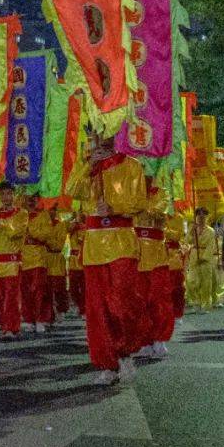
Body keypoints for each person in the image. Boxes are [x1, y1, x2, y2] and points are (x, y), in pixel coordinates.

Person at [66, 135, 149, 385]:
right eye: (97, 133)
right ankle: (107, 364)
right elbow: (72, 190)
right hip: (93, 246)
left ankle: (125, 351)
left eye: (107, 130)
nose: (101, 138)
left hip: (121, 242)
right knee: (97, 310)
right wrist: (88, 166)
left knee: (122, 304)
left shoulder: (132, 165)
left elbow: (139, 202)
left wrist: (114, 207)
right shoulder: (89, 165)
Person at [135, 186, 174, 359]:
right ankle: (144, 340)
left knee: (160, 300)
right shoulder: (130, 188)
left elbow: (158, 212)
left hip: (157, 256)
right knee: (140, 302)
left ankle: (159, 339)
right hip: (136, 255)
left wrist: (137, 204)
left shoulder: (163, 191)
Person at [0, 182, 26, 337]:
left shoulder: (21, 214)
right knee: (0, 298)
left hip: (12, 262)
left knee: (11, 297)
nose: (6, 197)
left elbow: (16, 232)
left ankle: (13, 327)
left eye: (9, 193)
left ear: (14, 194)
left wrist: (2, 223)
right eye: (3, 194)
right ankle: (4, 326)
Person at [21, 198, 54, 333]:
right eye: (27, 197)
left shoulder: (44, 215)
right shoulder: (21, 214)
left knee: (39, 291)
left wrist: (32, 231)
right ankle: (29, 320)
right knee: (25, 292)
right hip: (23, 260)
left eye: (33, 197)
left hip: (38, 259)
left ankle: (41, 319)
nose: (30, 200)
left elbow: (46, 234)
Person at [187, 208, 220, 312]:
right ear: (195, 217)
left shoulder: (211, 231)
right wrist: (191, 232)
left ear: (206, 217)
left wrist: (204, 258)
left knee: (206, 282)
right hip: (194, 255)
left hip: (206, 257)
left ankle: (206, 305)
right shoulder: (192, 228)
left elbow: (211, 246)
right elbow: (187, 241)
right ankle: (195, 302)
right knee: (191, 280)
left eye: (203, 216)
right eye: (199, 216)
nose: (201, 218)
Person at [166, 211, 188, 323]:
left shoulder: (179, 218)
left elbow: (178, 236)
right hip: (158, 255)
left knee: (177, 287)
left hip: (175, 256)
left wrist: (163, 231)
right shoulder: (156, 215)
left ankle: (178, 313)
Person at [47, 214, 70, 321]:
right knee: (46, 289)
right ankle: (49, 314)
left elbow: (59, 244)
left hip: (57, 259)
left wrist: (46, 241)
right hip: (45, 259)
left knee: (59, 287)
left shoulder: (61, 225)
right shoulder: (42, 223)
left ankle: (61, 310)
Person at [67, 215, 86, 316]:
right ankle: (78, 305)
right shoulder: (73, 227)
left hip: (84, 262)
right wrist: (73, 223)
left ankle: (83, 308)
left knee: (84, 287)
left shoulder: (88, 228)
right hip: (73, 262)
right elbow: (66, 230)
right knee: (73, 287)